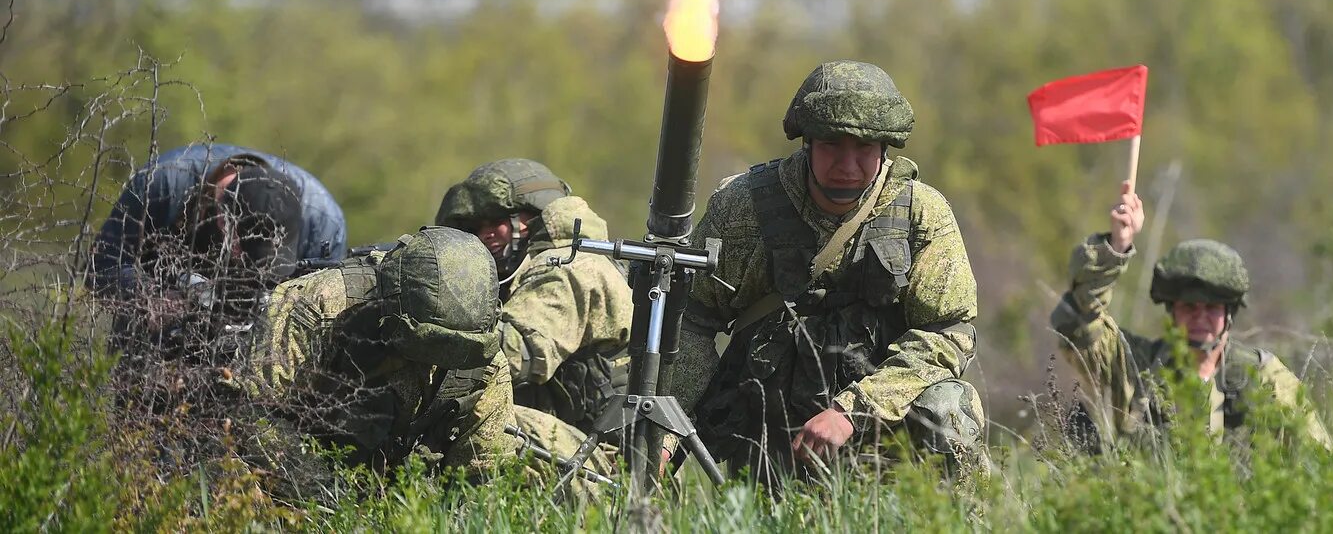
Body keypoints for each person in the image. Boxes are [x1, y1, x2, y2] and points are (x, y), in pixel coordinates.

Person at [671, 60, 985, 487]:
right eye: (833, 145)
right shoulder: (742, 208)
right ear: (807, 143)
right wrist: (665, 431)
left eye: (864, 148)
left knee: (950, 404)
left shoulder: (921, 213)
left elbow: (948, 334)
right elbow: (690, 321)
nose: (848, 164)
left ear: (885, 148)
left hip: (883, 427)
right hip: (771, 429)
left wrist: (853, 410)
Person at [236, 225, 610, 499]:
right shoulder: (321, 306)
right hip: (293, 474)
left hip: (401, 487)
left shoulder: (481, 356)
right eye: (428, 347)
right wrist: (323, 496)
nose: (438, 363)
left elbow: (480, 476)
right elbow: (250, 414)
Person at [1050, 182, 1333, 451]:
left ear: (1229, 314)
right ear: (1172, 312)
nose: (1200, 317)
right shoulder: (1137, 369)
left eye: (1212, 308)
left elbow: (1319, 459)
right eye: (1189, 308)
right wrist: (1116, 247)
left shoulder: (1262, 377)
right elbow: (1079, 323)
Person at [88, 142, 347, 362]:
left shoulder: (323, 223)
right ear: (225, 223)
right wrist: (154, 298)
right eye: (249, 256)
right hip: (154, 347)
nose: (255, 272)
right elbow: (100, 269)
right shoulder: (161, 184)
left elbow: (324, 327)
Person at [434, 159, 632, 433]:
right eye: (477, 227)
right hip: (567, 443)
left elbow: (518, 353)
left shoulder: (571, 266)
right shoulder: (516, 277)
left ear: (535, 216)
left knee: (478, 417)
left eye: (497, 220)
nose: (485, 235)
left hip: (606, 456)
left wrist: (430, 321)